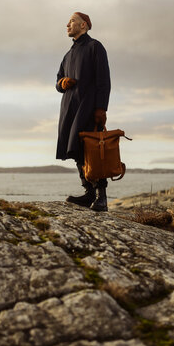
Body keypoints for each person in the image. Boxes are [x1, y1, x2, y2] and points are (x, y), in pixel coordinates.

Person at [55, 12, 111, 211]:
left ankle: (102, 197)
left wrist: (101, 108)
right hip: (69, 108)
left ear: (84, 25)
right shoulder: (68, 55)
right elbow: (57, 81)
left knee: (93, 149)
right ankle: (89, 193)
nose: (67, 24)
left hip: (88, 106)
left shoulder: (95, 47)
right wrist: (62, 83)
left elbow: (104, 80)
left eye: (71, 21)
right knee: (76, 149)